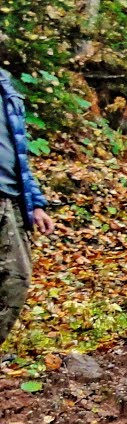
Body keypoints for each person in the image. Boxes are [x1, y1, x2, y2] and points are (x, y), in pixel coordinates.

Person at [0, 69, 55, 344]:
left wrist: (36, 205)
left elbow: (20, 155)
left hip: (11, 198)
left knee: (16, 280)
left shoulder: (7, 89)